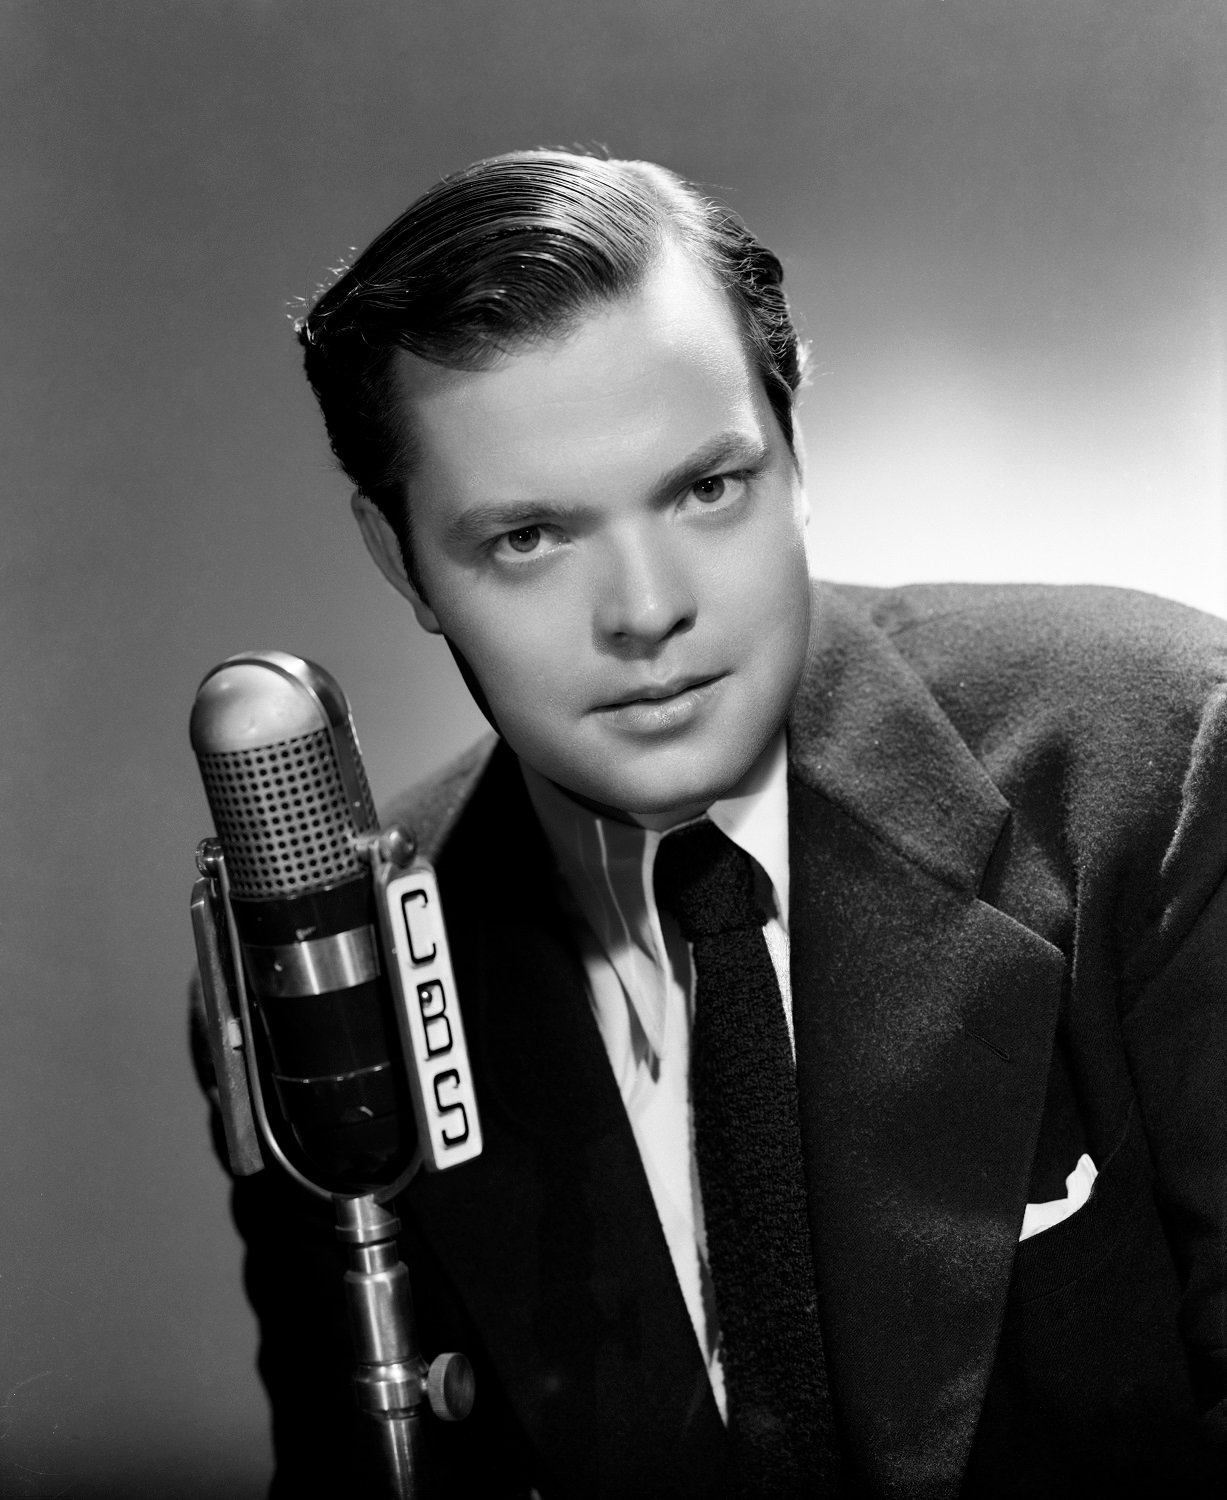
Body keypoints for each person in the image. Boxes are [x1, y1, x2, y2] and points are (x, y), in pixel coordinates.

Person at [209, 149, 1226, 1497]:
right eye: (528, 538)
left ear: (797, 460)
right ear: (402, 564)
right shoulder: (339, 976)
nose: (646, 608)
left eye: (705, 488)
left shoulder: (1160, 761)